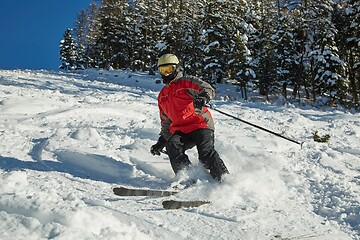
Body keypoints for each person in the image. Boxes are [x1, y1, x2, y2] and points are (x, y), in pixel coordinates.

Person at [150, 53, 229, 182]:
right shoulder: (162, 96)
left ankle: (224, 180)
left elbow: (207, 88)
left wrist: (203, 97)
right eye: (162, 70)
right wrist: (161, 142)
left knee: (205, 154)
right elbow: (166, 122)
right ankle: (189, 178)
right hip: (181, 131)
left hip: (200, 124)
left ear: (176, 68)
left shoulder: (186, 82)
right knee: (172, 146)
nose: (165, 73)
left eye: (168, 69)